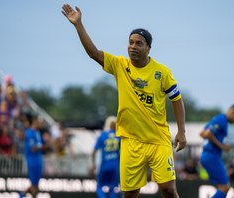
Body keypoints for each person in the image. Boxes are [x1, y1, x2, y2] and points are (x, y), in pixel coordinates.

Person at [62, 4, 187, 198]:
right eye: (130, 42)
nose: (133, 47)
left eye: (139, 43)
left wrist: (181, 131)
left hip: (158, 140)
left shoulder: (162, 72)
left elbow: (177, 100)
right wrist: (78, 25)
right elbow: (94, 53)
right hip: (130, 141)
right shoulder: (120, 65)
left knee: (169, 190)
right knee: (129, 195)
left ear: (148, 48)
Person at [199, 103, 234, 198]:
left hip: (208, 155)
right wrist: (222, 146)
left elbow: (202, 133)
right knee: (225, 187)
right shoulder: (222, 120)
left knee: (222, 187)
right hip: (212, 156)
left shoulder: (218, 118)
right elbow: (207, 134)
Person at [91, 116, 121, 198]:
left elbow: (94, 151)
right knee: (114, 187)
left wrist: (93, 164)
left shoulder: (103, 135)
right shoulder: (119, 136)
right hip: (115, 166)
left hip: (104, 165)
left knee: (99, 186)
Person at [20, 115, 48, 198]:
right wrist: (45, 146)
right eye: (40, 121)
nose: (41, 123)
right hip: (32, 161)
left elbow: (42, 143)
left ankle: (21, 195)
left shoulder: (38, 133)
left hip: (38, 160)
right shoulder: (29, 133)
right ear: (35, 121)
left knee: (36, 185)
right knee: (34, 185)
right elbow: (33, 148)